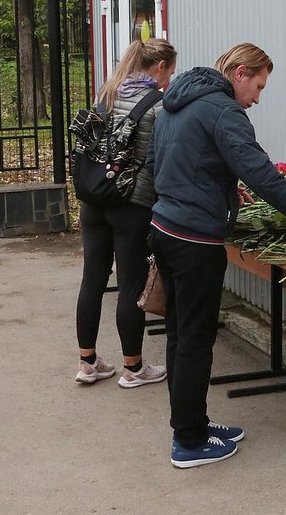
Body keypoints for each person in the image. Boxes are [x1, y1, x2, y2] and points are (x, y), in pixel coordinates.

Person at [149, 42, 286, 468]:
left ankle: (194, 424)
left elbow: (166, 161)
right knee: (195, 341)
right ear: (240, 73)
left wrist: (221, 186)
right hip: (195, 241)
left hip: (165, 229)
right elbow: (262, 174)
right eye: (258, 86)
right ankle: (188, 442)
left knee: (180, 335)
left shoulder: (177, 99)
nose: (258, 98)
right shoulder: (224, 111)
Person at [75, 38, 176, 388]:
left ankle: (88, 363)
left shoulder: (107, 93)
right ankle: (133, 368)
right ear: (160, 66)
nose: (167, 82)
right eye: (169, 73)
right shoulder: (158, 105)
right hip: (131, 204)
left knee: (92, 279)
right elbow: (162, 157)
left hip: (93, 200)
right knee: (131, 284)